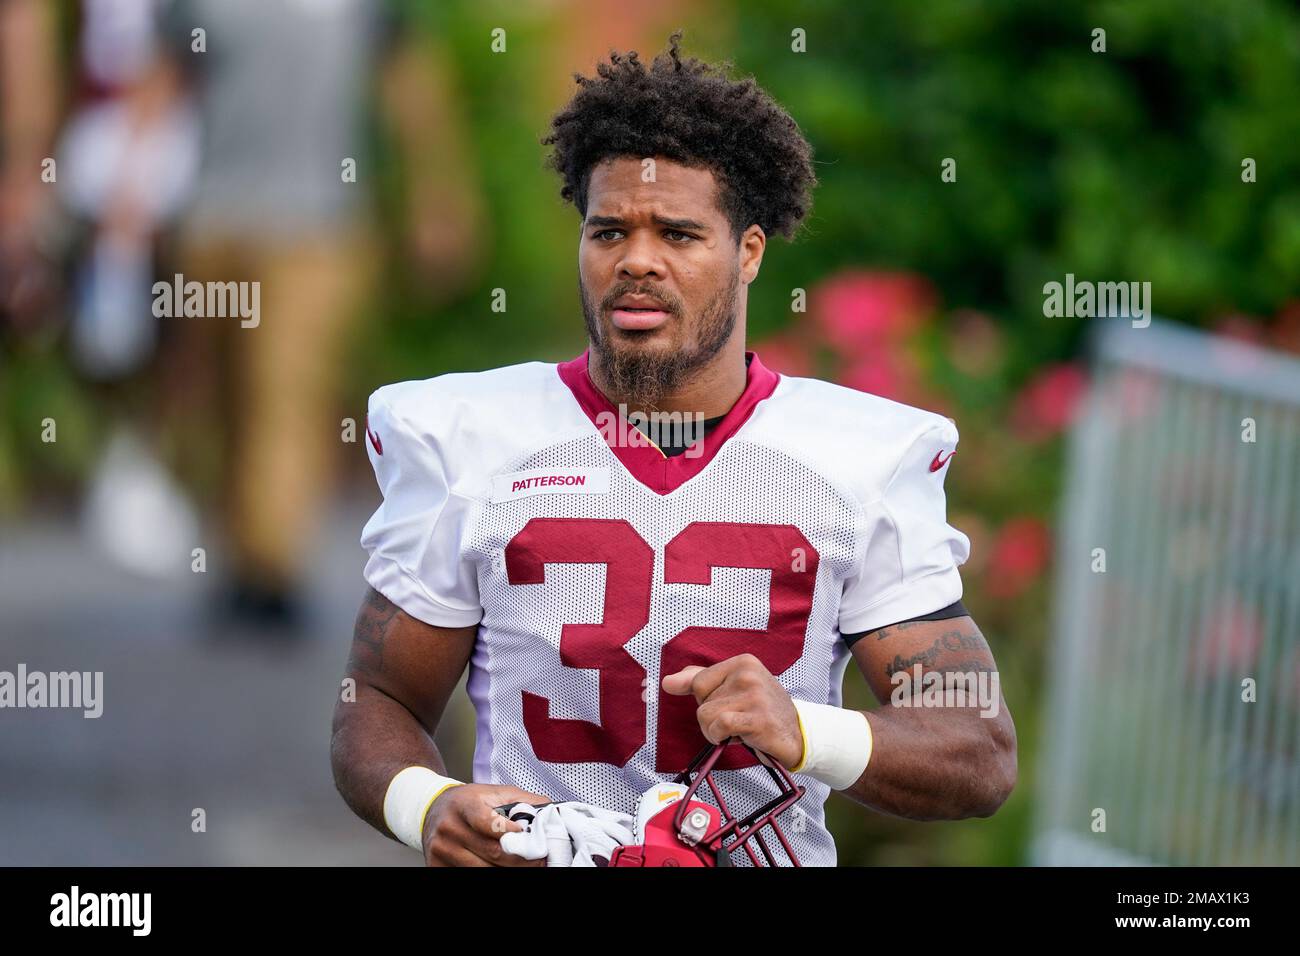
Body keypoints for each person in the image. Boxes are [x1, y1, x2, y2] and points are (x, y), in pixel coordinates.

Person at [331, 33, 1017, 866]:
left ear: (749, 252)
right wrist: (428, 805)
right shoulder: (472, 438)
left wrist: (807, 732)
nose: (637, 262)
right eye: (609, 231)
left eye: (680, 235)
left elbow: (977, 750)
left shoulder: (852, 460)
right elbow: (378, 694)